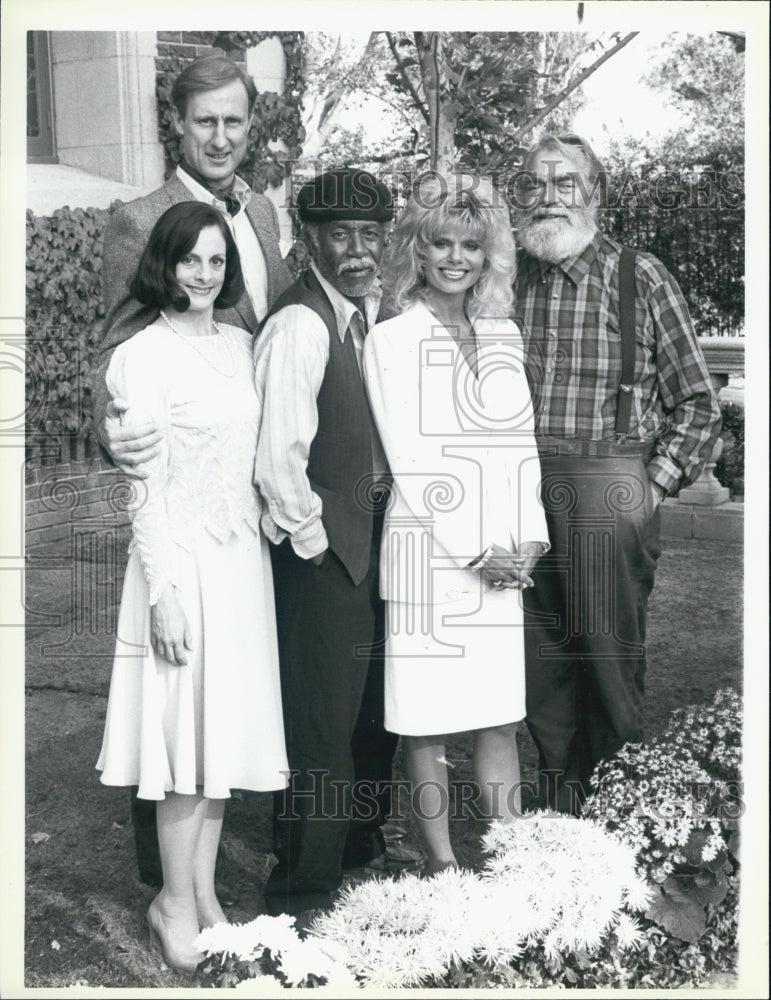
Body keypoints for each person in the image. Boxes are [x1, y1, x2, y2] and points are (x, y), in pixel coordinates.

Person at [91, 54, 292, 893]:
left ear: (252, 127)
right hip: (173, 491)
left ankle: (200, 885)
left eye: (233, 121)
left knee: (228, 696)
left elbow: (275, 338)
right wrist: (116, 435)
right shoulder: (138, 217)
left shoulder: (266, 214)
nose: (219, 136)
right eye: (204, 120)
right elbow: (111, 350)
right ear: (176, 123)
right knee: (173, 704)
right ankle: (167, 886)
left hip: (245, 503)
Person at [512, 133, 722, 814]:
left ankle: (619, 824)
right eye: (535, 185)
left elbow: (696, 400)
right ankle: (556, 825)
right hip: (519, 493)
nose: (549, 198)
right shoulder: (506, 276)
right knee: (538, 673)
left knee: (607, 670)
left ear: (594, 194)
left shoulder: (638, 276)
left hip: (608, 488)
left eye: (565, 182)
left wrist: (652, 485)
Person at [362, 172, 550, 874]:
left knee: (499, 717)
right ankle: (441, 865)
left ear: (488, 254)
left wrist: (527, 537)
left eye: (469, 246)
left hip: (506, 556)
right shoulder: (392, 337)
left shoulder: (501, 332)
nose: (454, 259)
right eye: (439, 242)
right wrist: (476, 550)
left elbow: (520, 443)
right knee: (428, 723)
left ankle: (512, 858)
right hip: (429, 556)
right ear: (416, 248)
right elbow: (410, 456)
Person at [254, 168, 420, 918]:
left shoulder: (366, 313)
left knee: (368, 714)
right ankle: (301, 891)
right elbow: (278, 457)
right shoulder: (298, 324)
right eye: (340, 236)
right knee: (321, 728)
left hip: (375, 541)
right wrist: (317, 545)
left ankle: (356, 848)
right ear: (310, 240)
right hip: (325, 555)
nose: (358, 251)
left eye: (369, 236)